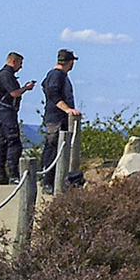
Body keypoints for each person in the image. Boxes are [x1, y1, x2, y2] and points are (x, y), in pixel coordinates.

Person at [39, 48, 83, 190]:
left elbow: (43, 85)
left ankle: (51, 179)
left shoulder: (56, 75)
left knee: (56, 147)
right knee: (53, 148)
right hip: (56, 118)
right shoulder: (56, 75)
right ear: (70, 62)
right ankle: (48, 180)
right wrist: (67, 109)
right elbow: (53, 93)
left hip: (57, 117)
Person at [0, 52, 36, 185]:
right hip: (6, 113)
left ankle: (1, 175)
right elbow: (14, 93)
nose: (21, 67)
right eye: (20, 63)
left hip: (1, 113)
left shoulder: (0, 74)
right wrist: (26, 88)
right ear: (13, 62)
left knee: (2, 143)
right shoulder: (6, 75)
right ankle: (13, 175)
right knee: (14, 143)